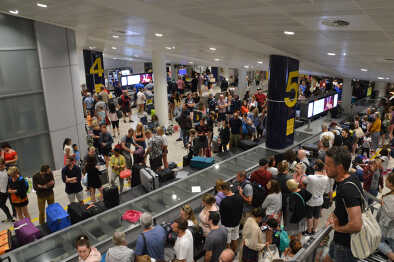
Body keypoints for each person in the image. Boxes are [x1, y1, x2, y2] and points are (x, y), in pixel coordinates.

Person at [326, 146, 362, 262]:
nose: (325, 168)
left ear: (340, 167)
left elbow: (356, 225)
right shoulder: (350, 179)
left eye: (328, 165)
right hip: (340, 241)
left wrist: (337, 228)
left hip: (346, 246)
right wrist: (335, 214)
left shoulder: (347, 189)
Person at [302, 160, 330, 235]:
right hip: (320, 200)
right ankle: (314, 230)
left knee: (309, 216)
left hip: (310, 200)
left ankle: (309, 231)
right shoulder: (326, 178)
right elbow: (327, 190)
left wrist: (303, 173)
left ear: (316, 167)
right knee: (316, 216)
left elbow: (303, 180)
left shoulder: (311, 177)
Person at [219, 182, 243, 252]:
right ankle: (235, 252)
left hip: (227, 225)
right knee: (235, 238)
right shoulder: (239, 197)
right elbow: (241, 209)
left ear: (225, 190)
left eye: (222, 190)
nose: (222, 192)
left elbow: (221, 214)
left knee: (227, 242)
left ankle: (229, 256)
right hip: (237, 223)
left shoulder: (224, 201)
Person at [377, 172, 394, 261]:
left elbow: (386, 220)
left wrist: (384, 206)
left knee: (378, 242)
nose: (385, 180)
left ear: (391, 183)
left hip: (389, 233)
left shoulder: (389, 199)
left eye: (386, 179)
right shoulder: (388, 197)